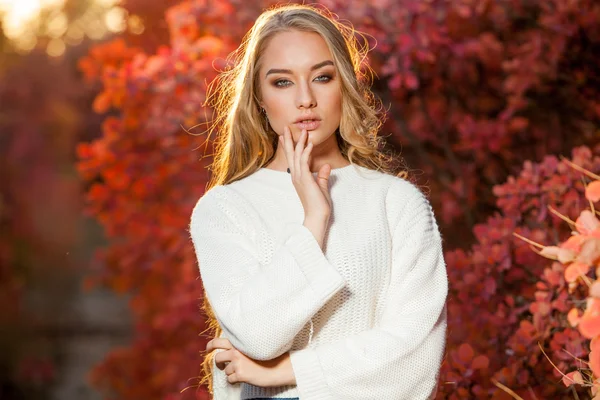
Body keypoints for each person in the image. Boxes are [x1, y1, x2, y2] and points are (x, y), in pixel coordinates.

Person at [188, 4, 448, 400]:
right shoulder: (224, 209)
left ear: (343, 84)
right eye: (282, 82)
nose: (305, 99)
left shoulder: (397, 204)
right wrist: (315, 220)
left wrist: (284, 372)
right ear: (258, 96)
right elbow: (257, 335)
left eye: (322, 77)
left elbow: (414, 355)